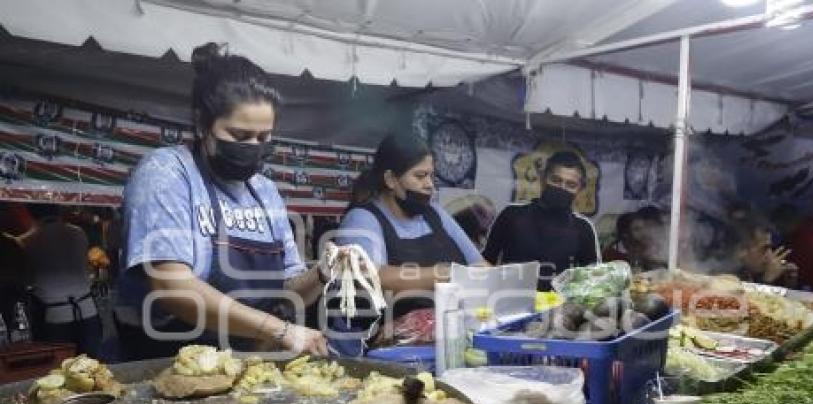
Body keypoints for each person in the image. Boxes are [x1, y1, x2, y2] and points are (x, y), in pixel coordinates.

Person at [117, 43, 329, 360]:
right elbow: (173, 289)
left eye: (264, 138)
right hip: (168, 365)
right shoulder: (166, 173)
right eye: (241, 137)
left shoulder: (265, 191)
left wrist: (323, 273)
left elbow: (287, 294)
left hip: (247, 368)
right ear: (203, 124)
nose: (254, 147)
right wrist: (280, 331)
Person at [335, 131, 485, 318]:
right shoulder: (362, 219)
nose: (429, 184)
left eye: (431, 175)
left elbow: (479, 265)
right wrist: (446, 273)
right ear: (391, 179)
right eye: (420, 176)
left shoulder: (435, 214)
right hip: (387, 337)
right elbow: (373, 277)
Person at [483, 151, 600, 290]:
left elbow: (593, 281)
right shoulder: (512, 215)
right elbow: (485, 262)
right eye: (556, 180)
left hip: (558, 308)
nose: (562, 188)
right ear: (543, 179)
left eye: (571, 185)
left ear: (579, 189)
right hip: (510, 304)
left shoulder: (583, 228)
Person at [19, 204, 103, 357]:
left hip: (55, 317)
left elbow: (27, 277)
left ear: (30, 213)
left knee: (59, 373)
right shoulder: (78, 233)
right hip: (87, 310)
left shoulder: (28, 241)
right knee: (94, 369)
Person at [771, 205, 813, 293]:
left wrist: (771, 277)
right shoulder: (796, 236)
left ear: (788, 222)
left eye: (780, 226)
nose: (779, 230)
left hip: (811, 289)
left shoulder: (808, 239)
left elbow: (801, 272)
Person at [731, 221, 799, 288]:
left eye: (770, 249)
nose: (770, 256)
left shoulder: (754, 275)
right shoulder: (729, 280)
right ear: (741, 251)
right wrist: (768, 280)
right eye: (764, 249)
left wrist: (788, 283)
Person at [603, 207, 666, 272]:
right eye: (637, 229)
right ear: (625, 234)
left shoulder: (648, 246)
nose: (644, 232)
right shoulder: (610, 254)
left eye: (644, 227)